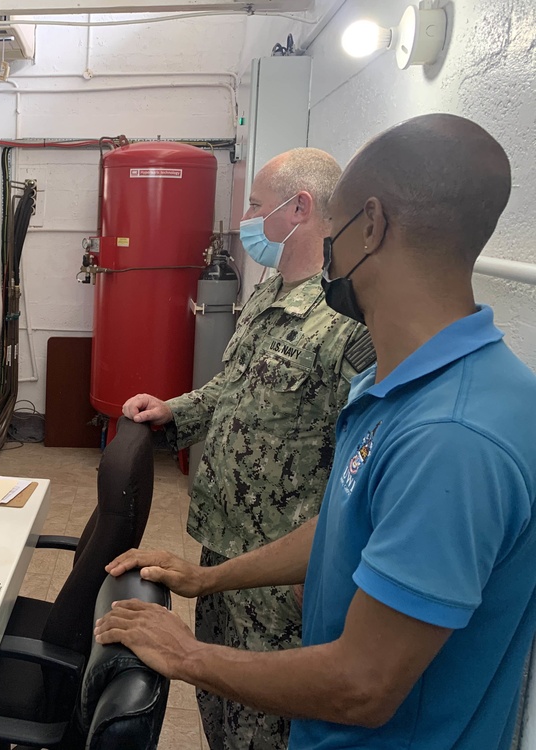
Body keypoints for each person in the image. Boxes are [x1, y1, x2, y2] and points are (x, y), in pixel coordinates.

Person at [98, 113, 536, 749]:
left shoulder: (454, 435)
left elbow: (362, 683)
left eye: (339, 224)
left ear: (372, 225)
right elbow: (343, 520)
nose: (326, 242)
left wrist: (186, 654)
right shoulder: (400, 386)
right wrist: (209, 578)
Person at [122, 148, 374, 750]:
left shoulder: (346, 321)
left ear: (301, 207)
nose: (248, 219)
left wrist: (326, 564)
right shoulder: (267, 292)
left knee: (267, 727)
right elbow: (233, 388)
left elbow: (361, 458)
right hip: (219, 549)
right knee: (220, 705)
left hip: (279, 572)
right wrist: (174, 410)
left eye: (257, 206)